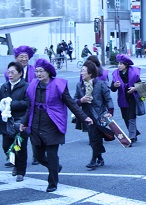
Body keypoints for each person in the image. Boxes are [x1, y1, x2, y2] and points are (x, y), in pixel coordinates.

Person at [20, 59, 93, 192]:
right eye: (36, 71)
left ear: (48, 72)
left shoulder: (58, 85)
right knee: (38, 155)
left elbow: (71, 103)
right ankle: (55, 167)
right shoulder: (33, 85)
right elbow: (29, 106)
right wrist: (24, 123)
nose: (38, 74)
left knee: (52, 155)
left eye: (41, 71)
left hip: (53, 124)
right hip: (36, 124)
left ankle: (52, 182)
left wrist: (84, 117)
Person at [75, 61, 114, 168]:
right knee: (93, 138)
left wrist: (110, 111)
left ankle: (93, 160)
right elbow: (73, 101)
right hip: (87, 116)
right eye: (81, 71)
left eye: (83, 71)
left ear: (90, 73)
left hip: (100, 115)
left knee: (95, 137)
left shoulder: (100, 84)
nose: (81, 73)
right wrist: (81, 100)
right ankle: (100, 158)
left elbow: (108, 98)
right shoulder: (79, 85)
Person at [1, 62, 30, 182]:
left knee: (20, 147)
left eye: (13, 72)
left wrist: (11, 104)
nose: (10, 75)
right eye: (9, 72)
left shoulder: (26, 86)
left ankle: (20, 171)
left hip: (20, 121)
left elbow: (27, 103)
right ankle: (16, 164)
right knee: (6, 146)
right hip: (6, 121)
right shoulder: (4, 86)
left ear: (20, 73)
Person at [110, 54, 141, 144]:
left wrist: (134, 88)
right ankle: (134, 132)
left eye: (121, 64)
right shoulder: (116, 74)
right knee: (125, 117)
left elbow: (140, 84)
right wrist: (114, 86)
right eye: (118, 64)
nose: (119, 65)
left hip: (132, 98)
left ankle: (132, 136)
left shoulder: (134, 72)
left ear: (126, 65)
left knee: (131, 117)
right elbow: (112, 88)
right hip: (122, 98)